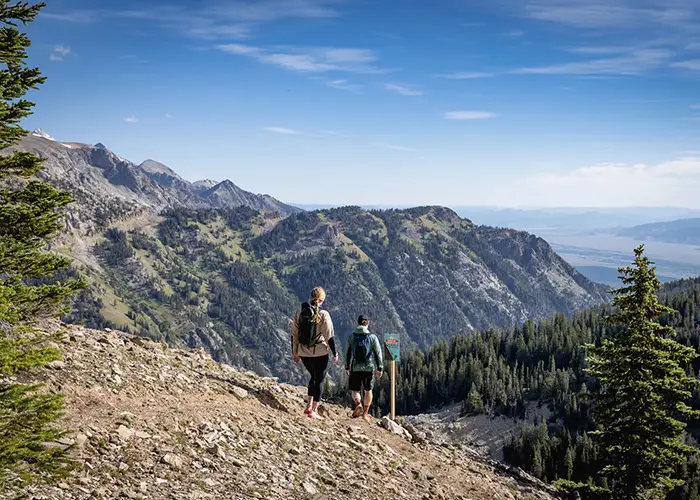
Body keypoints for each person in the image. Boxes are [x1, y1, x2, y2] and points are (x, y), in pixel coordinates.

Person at [292, 286, 338, 420]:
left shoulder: (299, 313)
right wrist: (334, 353)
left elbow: (294, 335)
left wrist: (295, 352)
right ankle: (314, 410)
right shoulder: (323, 314)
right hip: (320, 352)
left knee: (313, 376)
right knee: (319, 379)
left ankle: (308, 406)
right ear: (322, 300)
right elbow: (329, 336)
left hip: (304, 352)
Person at [345, 315, 383, 421]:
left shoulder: (352, 337)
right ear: (367, 323)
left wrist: (347, 366)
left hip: (355, 368)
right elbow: (378, 353)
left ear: (357, 323)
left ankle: (358, 404)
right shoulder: (372, 337)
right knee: (368, 390)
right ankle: (365, 413)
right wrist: (380, 367)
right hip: (368, 368)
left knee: (355, 390)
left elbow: (347, 353)